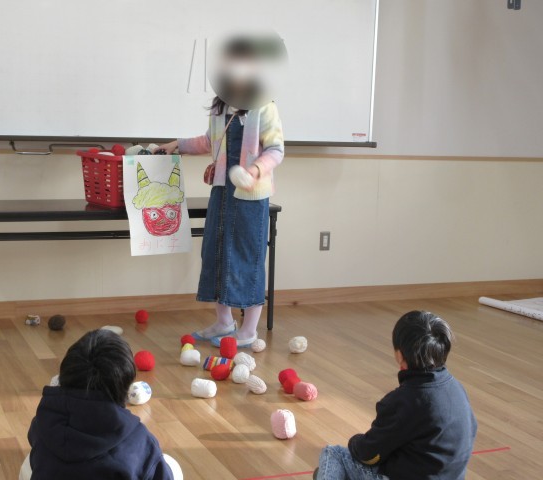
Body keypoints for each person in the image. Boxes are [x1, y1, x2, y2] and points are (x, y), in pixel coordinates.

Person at [156, 35, 285, 348]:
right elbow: (208, 141)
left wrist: (254, 170)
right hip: (222, 193)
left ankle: (249, 330)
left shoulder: (264, 107)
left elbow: (276, 150)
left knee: (247, 258)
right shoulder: (221, 107)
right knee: (216, 253)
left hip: (250, 197)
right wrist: (176, 145)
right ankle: (224, 322)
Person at [314, 311, 477, 480]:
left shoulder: (403, 400)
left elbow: (369, 455)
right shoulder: (458, 389)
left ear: (399, 355)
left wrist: (355, 442)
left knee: (333, 454)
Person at [24, 329, 178, 480]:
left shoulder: (43, 422)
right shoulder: (139, 440)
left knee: (31, 463)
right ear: (124, 388)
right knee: (172, 466)